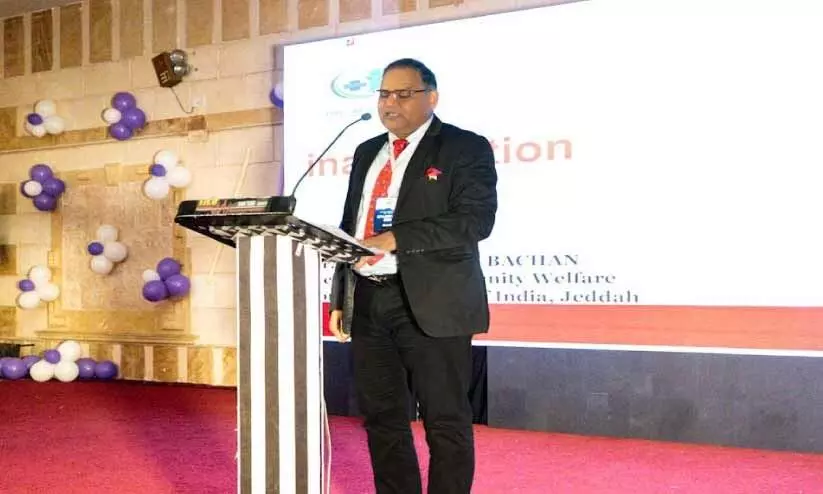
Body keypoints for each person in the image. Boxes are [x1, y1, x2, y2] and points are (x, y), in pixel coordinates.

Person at [328, 58, 498, 494]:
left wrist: (397, 238)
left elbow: (475, 221)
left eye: (403, 94)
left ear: (431, 97)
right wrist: (340, 295)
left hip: (432, 300)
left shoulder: (464, 147)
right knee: (382, 419)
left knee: (445, 420)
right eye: (384, 94)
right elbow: (352, 225)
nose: (390, 103)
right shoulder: (367, 151)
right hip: (369, 299)